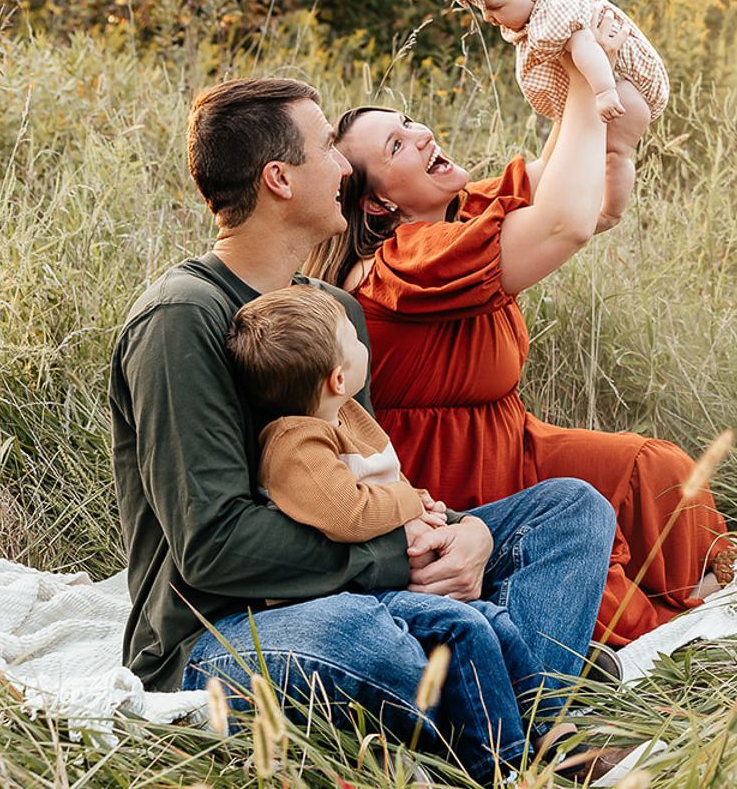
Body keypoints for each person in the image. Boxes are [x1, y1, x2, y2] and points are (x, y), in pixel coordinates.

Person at [109, 76, 618, 777]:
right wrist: (389, 561)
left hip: (351, 581)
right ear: (280, 179)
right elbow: (213, 547)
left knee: (569, 512)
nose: (346, 167)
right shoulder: (182, 318)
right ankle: (531, 717)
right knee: (362, 634)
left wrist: (454, 531)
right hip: (215, 634)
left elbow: (370, 469)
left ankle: (506, 701)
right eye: (328, 149)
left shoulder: (334, 314)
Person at [306, 49, 732, 649]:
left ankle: (694, 592)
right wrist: (589, 86)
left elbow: (574, 184)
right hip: (451, 473)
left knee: (654, 468)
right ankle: (666, 627)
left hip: (512, 440)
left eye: (407, 122)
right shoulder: (407, 264)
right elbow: (566, 223)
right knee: (597, 573)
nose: (421, 134)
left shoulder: (458, 217)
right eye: (396, 147)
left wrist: (566, 42)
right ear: (379, 204)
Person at [228, 283, 557, 780]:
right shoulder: (295, 444)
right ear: (339, 377)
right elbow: (348, 512)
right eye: (352, 340)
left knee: (497, 624)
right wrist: (411, 502)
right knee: (463, 627)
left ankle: (556, 738)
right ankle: (502, 767)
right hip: (346, 594)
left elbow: (386, 484)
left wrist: (428, 511)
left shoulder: (347, 415)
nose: (364, 344)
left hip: (391, 579)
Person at [436, 0, 667, 231]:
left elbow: (587, 46)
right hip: (605, 84)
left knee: (615, 154)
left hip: (626, 86)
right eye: (484, 10)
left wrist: (604, 92)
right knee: (559, 152)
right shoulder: (537, 12)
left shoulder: (557, 10)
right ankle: (541, 193)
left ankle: (611, 212)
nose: (489, 17)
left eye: (496, 7)